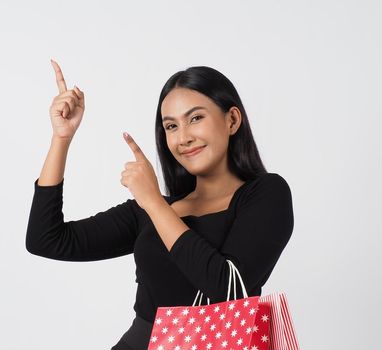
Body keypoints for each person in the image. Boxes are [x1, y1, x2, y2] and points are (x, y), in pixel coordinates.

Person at [25, 59, 295, 350]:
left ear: (232, 120)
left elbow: (229, 292)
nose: (183, 137)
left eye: (196, 118)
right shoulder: (151, 209)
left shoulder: (266, 194)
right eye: (171, 126)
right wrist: (61, 139)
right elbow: (46, 240)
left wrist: (154, 202)